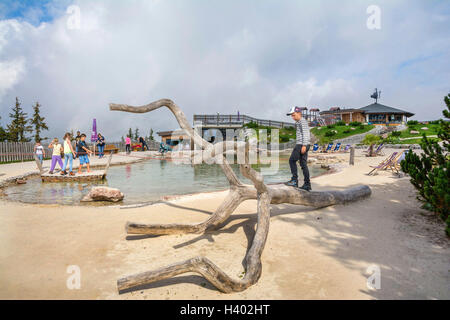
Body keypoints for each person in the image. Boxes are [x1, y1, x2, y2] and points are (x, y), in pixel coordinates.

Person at [285, 106, 312, 191]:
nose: (292, 117)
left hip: (301, 144)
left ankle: (294, 180)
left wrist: (304, 145)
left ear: (299, 113)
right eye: (291, 116)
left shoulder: (302, 121)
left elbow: (306, 133)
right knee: (303, 165)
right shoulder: (298, 122)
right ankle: (307, 184)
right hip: (304, 144)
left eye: (293, 115)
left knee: (291, 160)